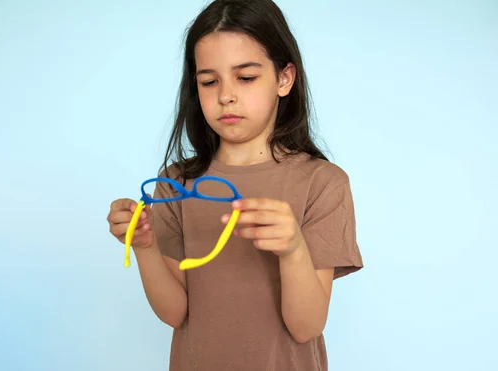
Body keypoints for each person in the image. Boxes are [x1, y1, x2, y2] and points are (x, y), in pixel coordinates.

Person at [106, 0, 364, 369]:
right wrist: (144, 246)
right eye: (209, 81)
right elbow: (176, 313)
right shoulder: (175, 184)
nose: (225, 94)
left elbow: (306, 326)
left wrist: (293, 249)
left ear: (284, 79)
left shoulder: (323, 183)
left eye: (245, 77)